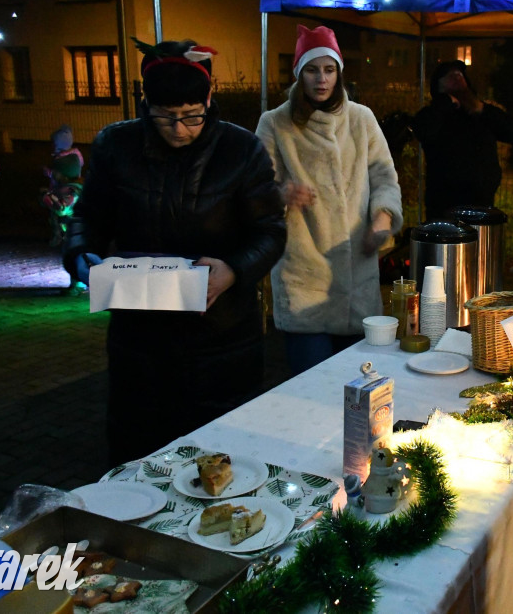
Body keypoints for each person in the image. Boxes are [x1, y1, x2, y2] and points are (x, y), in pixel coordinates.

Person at [63, 39, 287, 466]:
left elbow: (271, 232)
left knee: (223, 461)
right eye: (165, 117)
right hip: (139, 343)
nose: (179, 129)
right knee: (141, 456)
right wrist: (79, 255)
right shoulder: (116, 146)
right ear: (146, 105)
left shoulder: (241, 151)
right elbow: (87, 218)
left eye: (191, 116)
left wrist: (234, 270)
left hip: (222, 340)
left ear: (209, 98)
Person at [255, 25, 403, 376]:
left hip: (357, 280)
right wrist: (281, 193)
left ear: (338, 73)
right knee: (313, 389)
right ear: (298, 73)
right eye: (311, 69)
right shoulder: (275, 123)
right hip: (304, 279)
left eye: (329, 69)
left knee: (360, 389)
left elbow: (384, 176)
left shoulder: (361, 119)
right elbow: (253, 188)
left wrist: (381, 221)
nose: (321, 79)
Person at [413, 59, 513, 220]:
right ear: (438, 86)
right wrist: (446, 103)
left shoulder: (481, 114)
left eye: (459, 74)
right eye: (450, 76)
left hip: (481, 204)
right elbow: (424, 130)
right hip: (444, 206)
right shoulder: (434, 114)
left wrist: (481, 109)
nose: (457, 77)